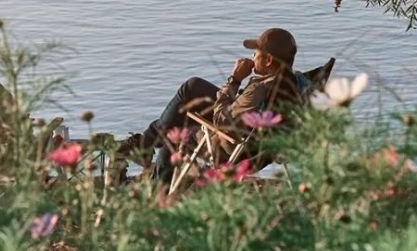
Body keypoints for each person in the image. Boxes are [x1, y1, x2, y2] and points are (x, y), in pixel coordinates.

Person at [124, 27, 301, 165]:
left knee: (176, 129)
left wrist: (235, 79)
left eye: (256, 52)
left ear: (268, 60)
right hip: (262, 148)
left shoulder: (261, 87)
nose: (253, 56)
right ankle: (146, 145)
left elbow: (222, 120)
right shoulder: (295, 83)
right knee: (193, 87)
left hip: (230, 147)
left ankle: (147, 157)